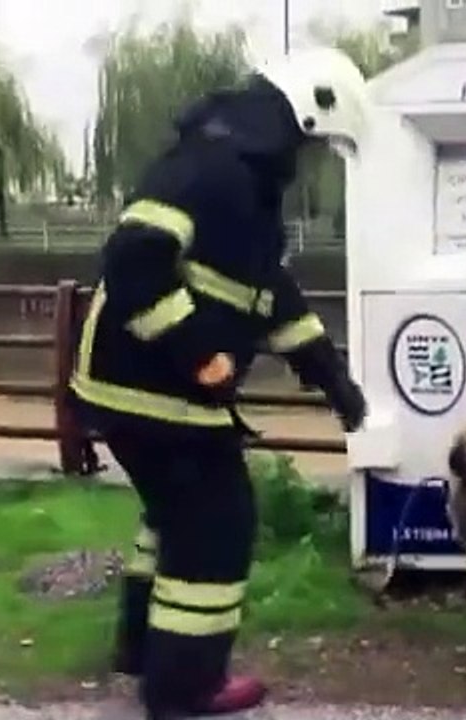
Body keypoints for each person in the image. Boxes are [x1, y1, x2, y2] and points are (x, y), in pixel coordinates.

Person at [68, 47, 371, 719]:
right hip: (152, 392)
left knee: (176, 515)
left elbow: (268, 294)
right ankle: (183, 688)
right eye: (317, 148)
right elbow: (133, 259)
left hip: (138, 391)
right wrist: (200, 351)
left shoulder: (238, 177)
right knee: (216, 526)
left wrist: (332, 379)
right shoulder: (214, 173)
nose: (313, 163)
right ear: (304, 120)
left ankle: (144, 652)